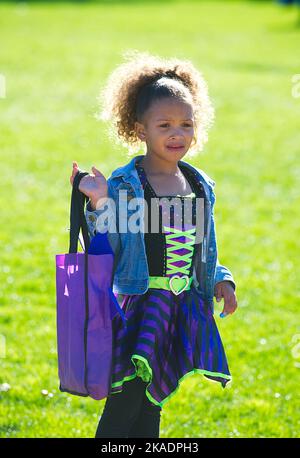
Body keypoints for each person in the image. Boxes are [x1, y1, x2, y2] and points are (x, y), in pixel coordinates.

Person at [69, 50, 238, 438]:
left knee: (151, 402)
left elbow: (204, 249)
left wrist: (221, 280)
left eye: (186, 124)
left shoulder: (199, 186)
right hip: (142, 304)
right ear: (140, 128)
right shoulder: (128, 185)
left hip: (181, 305)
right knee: (126, 398)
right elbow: (107, 244)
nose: (177, 134)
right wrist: (100, 201)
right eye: (164, 125)